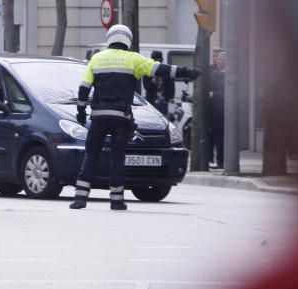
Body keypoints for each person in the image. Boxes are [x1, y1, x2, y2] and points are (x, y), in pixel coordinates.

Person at [70, 24, 201, 211]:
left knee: (91, 155)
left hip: (99, 116)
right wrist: (186, 72)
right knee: (117, 157)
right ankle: (116, 201)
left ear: (110, 39)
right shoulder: (133, 59)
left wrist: (81, 112)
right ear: (127, 40)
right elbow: (160, 69)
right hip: (121, 118)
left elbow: (84, 88)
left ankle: (80, 199)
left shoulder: (97, 59)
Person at [143, 50, 175, 116]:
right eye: (156, 61)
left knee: (163, 118)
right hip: (151, 101)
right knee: (151, 117)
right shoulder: (148, 71)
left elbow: (171, 85)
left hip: (163, 101)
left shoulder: (166, 70)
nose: (158, 62)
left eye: (160, 60)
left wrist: (171, 97)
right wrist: (152, 82)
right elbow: (146, 86)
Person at [208, 50, 226, 169]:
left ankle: (220, 161)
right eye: (219, 59)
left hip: (223, 110)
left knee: (221, 137)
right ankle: (210, 159)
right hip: (212, 110)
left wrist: (214, 94)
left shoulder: (229, 76)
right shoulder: (213, 74)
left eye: (222, 59)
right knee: (211, 135)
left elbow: (229, 93)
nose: (219, 61)